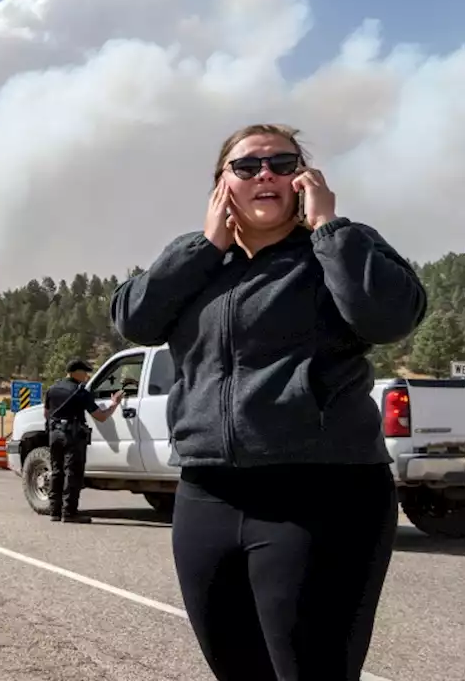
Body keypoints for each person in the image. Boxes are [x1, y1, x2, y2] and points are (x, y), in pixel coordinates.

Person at [110, 123, 426, 680]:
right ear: (220, 186)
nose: (266, 175)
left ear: (303, 180)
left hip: (323, 496)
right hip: (208, 495)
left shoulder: (336, 250)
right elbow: (134, 319)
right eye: (248, 166)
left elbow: (388, 317)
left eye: (283, 165)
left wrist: (329, 226)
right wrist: (205, 246)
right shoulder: (199, 264)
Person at [43, 360, 123, 523]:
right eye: (85, 372)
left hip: (55, 434)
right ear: (75, 372)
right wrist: (114, 404)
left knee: (57, 471)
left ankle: (54, 511)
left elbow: (46, 413)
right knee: (72, 473)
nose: (87, 376)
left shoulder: (53, 389)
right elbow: (100, 416)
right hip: (73, 435)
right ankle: (69, 512)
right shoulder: (80, 392)